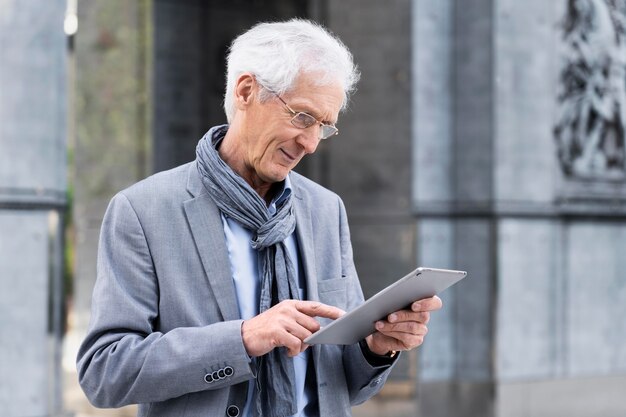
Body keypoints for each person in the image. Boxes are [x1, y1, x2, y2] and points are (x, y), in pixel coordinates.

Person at [76, 19, 442, 417]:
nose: (311, 143)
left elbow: (338, 384)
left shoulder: (325, 210)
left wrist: (378, 347)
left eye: (324, 126)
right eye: (302, 117)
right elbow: (104, 372)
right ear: (246, 91)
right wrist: (243, 338)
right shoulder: (142, 211)